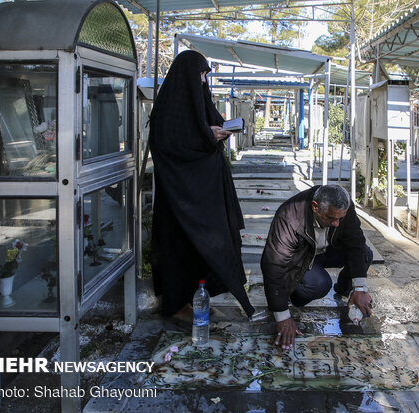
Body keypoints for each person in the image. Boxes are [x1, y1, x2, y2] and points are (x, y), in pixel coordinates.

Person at [148, 50, 255, 324]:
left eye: (206, 74)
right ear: (187, 75)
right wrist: (208, 136)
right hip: (180, 197)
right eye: (202, 74)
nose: (205, 81)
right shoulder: (168, 109)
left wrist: (217, 131)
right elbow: (170, 146)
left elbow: (206, 128)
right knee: (181, 247)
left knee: (213, 245)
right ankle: (176, 304)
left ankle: (199, 296)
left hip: (205, 193)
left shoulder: (198, 100)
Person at [261, 185, 373, 350]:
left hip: (326, 251)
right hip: (301, 258)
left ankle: (347, 291)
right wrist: (282, 315)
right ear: (315, 207)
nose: (336, 224)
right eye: (330, 218)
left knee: (365, 254)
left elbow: (356, 243)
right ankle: (295, 296)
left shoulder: (343, 207)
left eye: (340, 219)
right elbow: (273, 265)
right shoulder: (289, 216)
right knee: (320, 284)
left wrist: (360, 288)